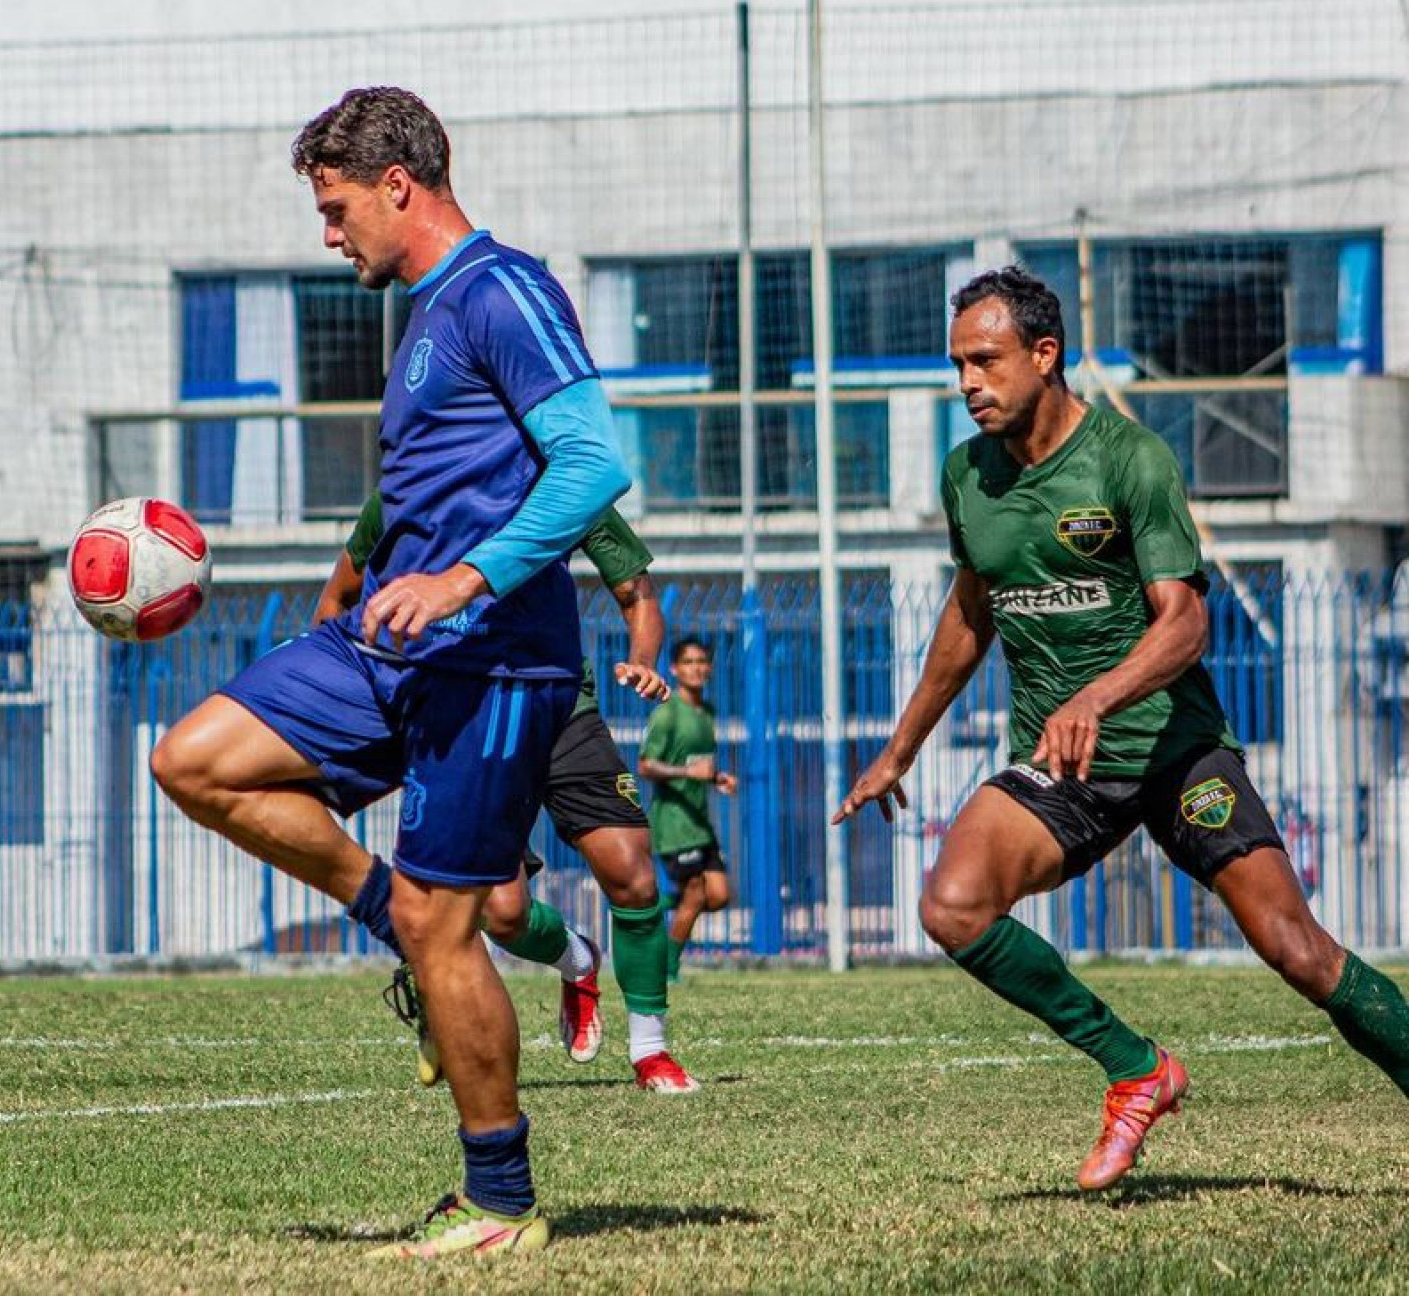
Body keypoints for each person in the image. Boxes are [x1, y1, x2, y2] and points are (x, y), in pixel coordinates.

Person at [151, 86, 629, 1258]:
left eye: (336, 208)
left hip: (493, 661)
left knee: (446, 920)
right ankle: (392, 924)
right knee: (193, 762)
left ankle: (500, 1201)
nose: (329, 234)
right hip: (384, 647)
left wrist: (465, 580)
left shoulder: (504, 289)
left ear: (398, 185)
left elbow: (594, 464)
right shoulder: (424, 312)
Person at [835, 267, 1409, 1191]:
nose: (969, 382)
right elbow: (971, 611)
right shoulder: (966, 476)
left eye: (986, 360)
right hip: (1062, 764)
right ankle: (1138, 1069)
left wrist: (1096, 697)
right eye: (958, 365)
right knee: (952, 906)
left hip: (1176, 752)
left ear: (1044, 354)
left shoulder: (1130, 459)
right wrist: (899, 750)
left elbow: (1185, 622)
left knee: (1297, 950)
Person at [316, 493, 698, 1095]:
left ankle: (651, 1051)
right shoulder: (406, 489)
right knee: (502, 913)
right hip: (465, 719)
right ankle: (576, 960)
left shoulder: (562, 482)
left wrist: (643, 660)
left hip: (559, 702)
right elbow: (337, 598)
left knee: (632, 872)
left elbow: (637, 594)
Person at [639, 637, 737, 982]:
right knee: (695, 892)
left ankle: (659, 905)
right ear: (674, 669)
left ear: (709, 668)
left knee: (719, 896)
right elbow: (646, 765)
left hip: (700, 822)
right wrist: (686, 773)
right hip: (674, 823)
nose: (696, 668)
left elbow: (699, 764)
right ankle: (667, 969)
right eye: (688, 662)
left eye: (701, 662)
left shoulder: (706, 712)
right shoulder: (667, 713)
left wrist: (717, 778)